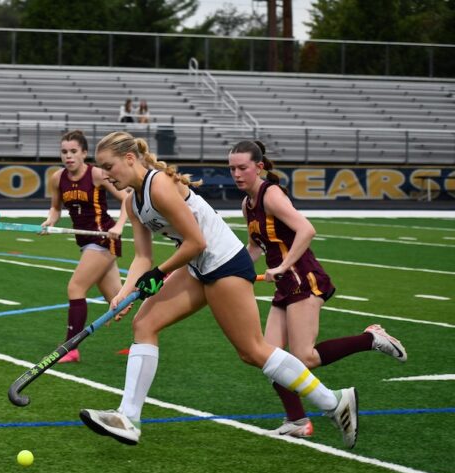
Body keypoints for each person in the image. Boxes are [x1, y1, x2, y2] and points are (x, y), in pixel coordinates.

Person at [78, 131, 359, 449]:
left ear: (129, 159)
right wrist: (124, 291)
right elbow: (144, 257)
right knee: (144, 324)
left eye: (108, 165)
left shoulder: (159, 186)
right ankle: (128, 418)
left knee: (252, 351)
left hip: (225, 263)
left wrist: (160, 273)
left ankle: (334, 402)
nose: (105, 174)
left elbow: (197, 241)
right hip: (198, 266)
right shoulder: (133, 200)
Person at [230, 140, 407, 438]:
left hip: (302, 278)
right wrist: (233, 273)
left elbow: (306, 229)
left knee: (305, 357)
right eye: (232, 168)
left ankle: (371, 339)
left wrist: (284, 266)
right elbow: (253, 247)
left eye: (242, 167)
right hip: (285, 284)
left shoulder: (270, 194)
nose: (236, 174)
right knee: (268, 356)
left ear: (258, 167)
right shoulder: (247, 203)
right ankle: (297, 421)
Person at [42, 130, 129, 363]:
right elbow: (56, 208)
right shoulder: (57, 178)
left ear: (84, 153)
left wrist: (120, 226)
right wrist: (50, 220)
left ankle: (71, 347)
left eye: (73, 151)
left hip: (103, 239)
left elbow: (127, 200)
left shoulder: (98, 174)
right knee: (119, 303)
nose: (68, 156)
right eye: (64, 152)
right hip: (85, 242)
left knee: (75, 287)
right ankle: (147, 335)